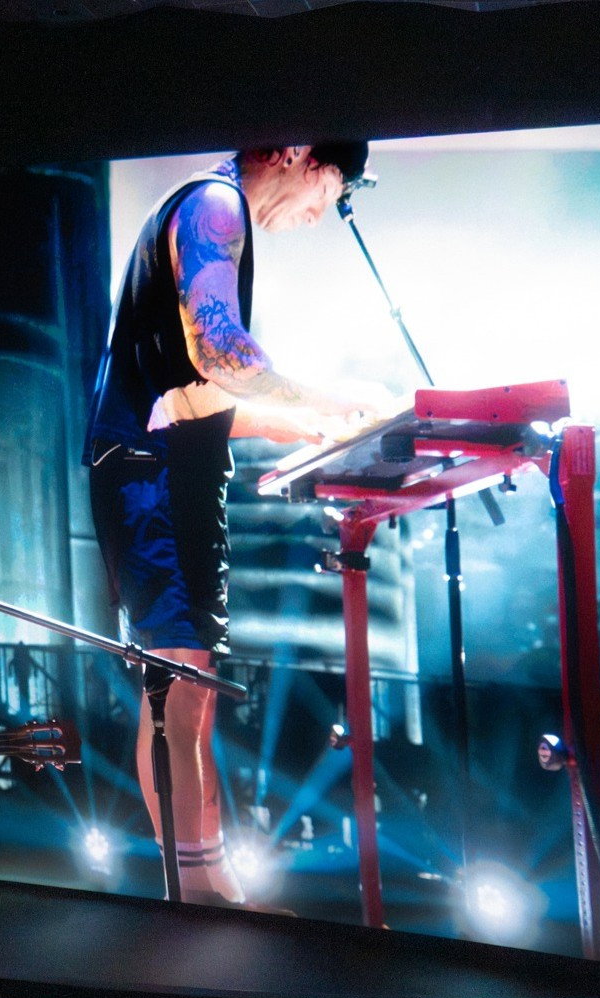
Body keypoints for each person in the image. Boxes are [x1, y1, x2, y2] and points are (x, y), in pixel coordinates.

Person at [87, 143, 397, 902]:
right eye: (333, 188)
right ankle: (196, 894)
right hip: (154, 477)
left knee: (188, 691)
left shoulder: (208, 206)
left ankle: (205, 877)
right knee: (179, 688)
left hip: (166, 469)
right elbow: (220, 351)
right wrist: (331, 400)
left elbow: (192, 390)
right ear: (297, 152)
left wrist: (303, 424)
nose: (322, 213)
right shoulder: (216, 204)